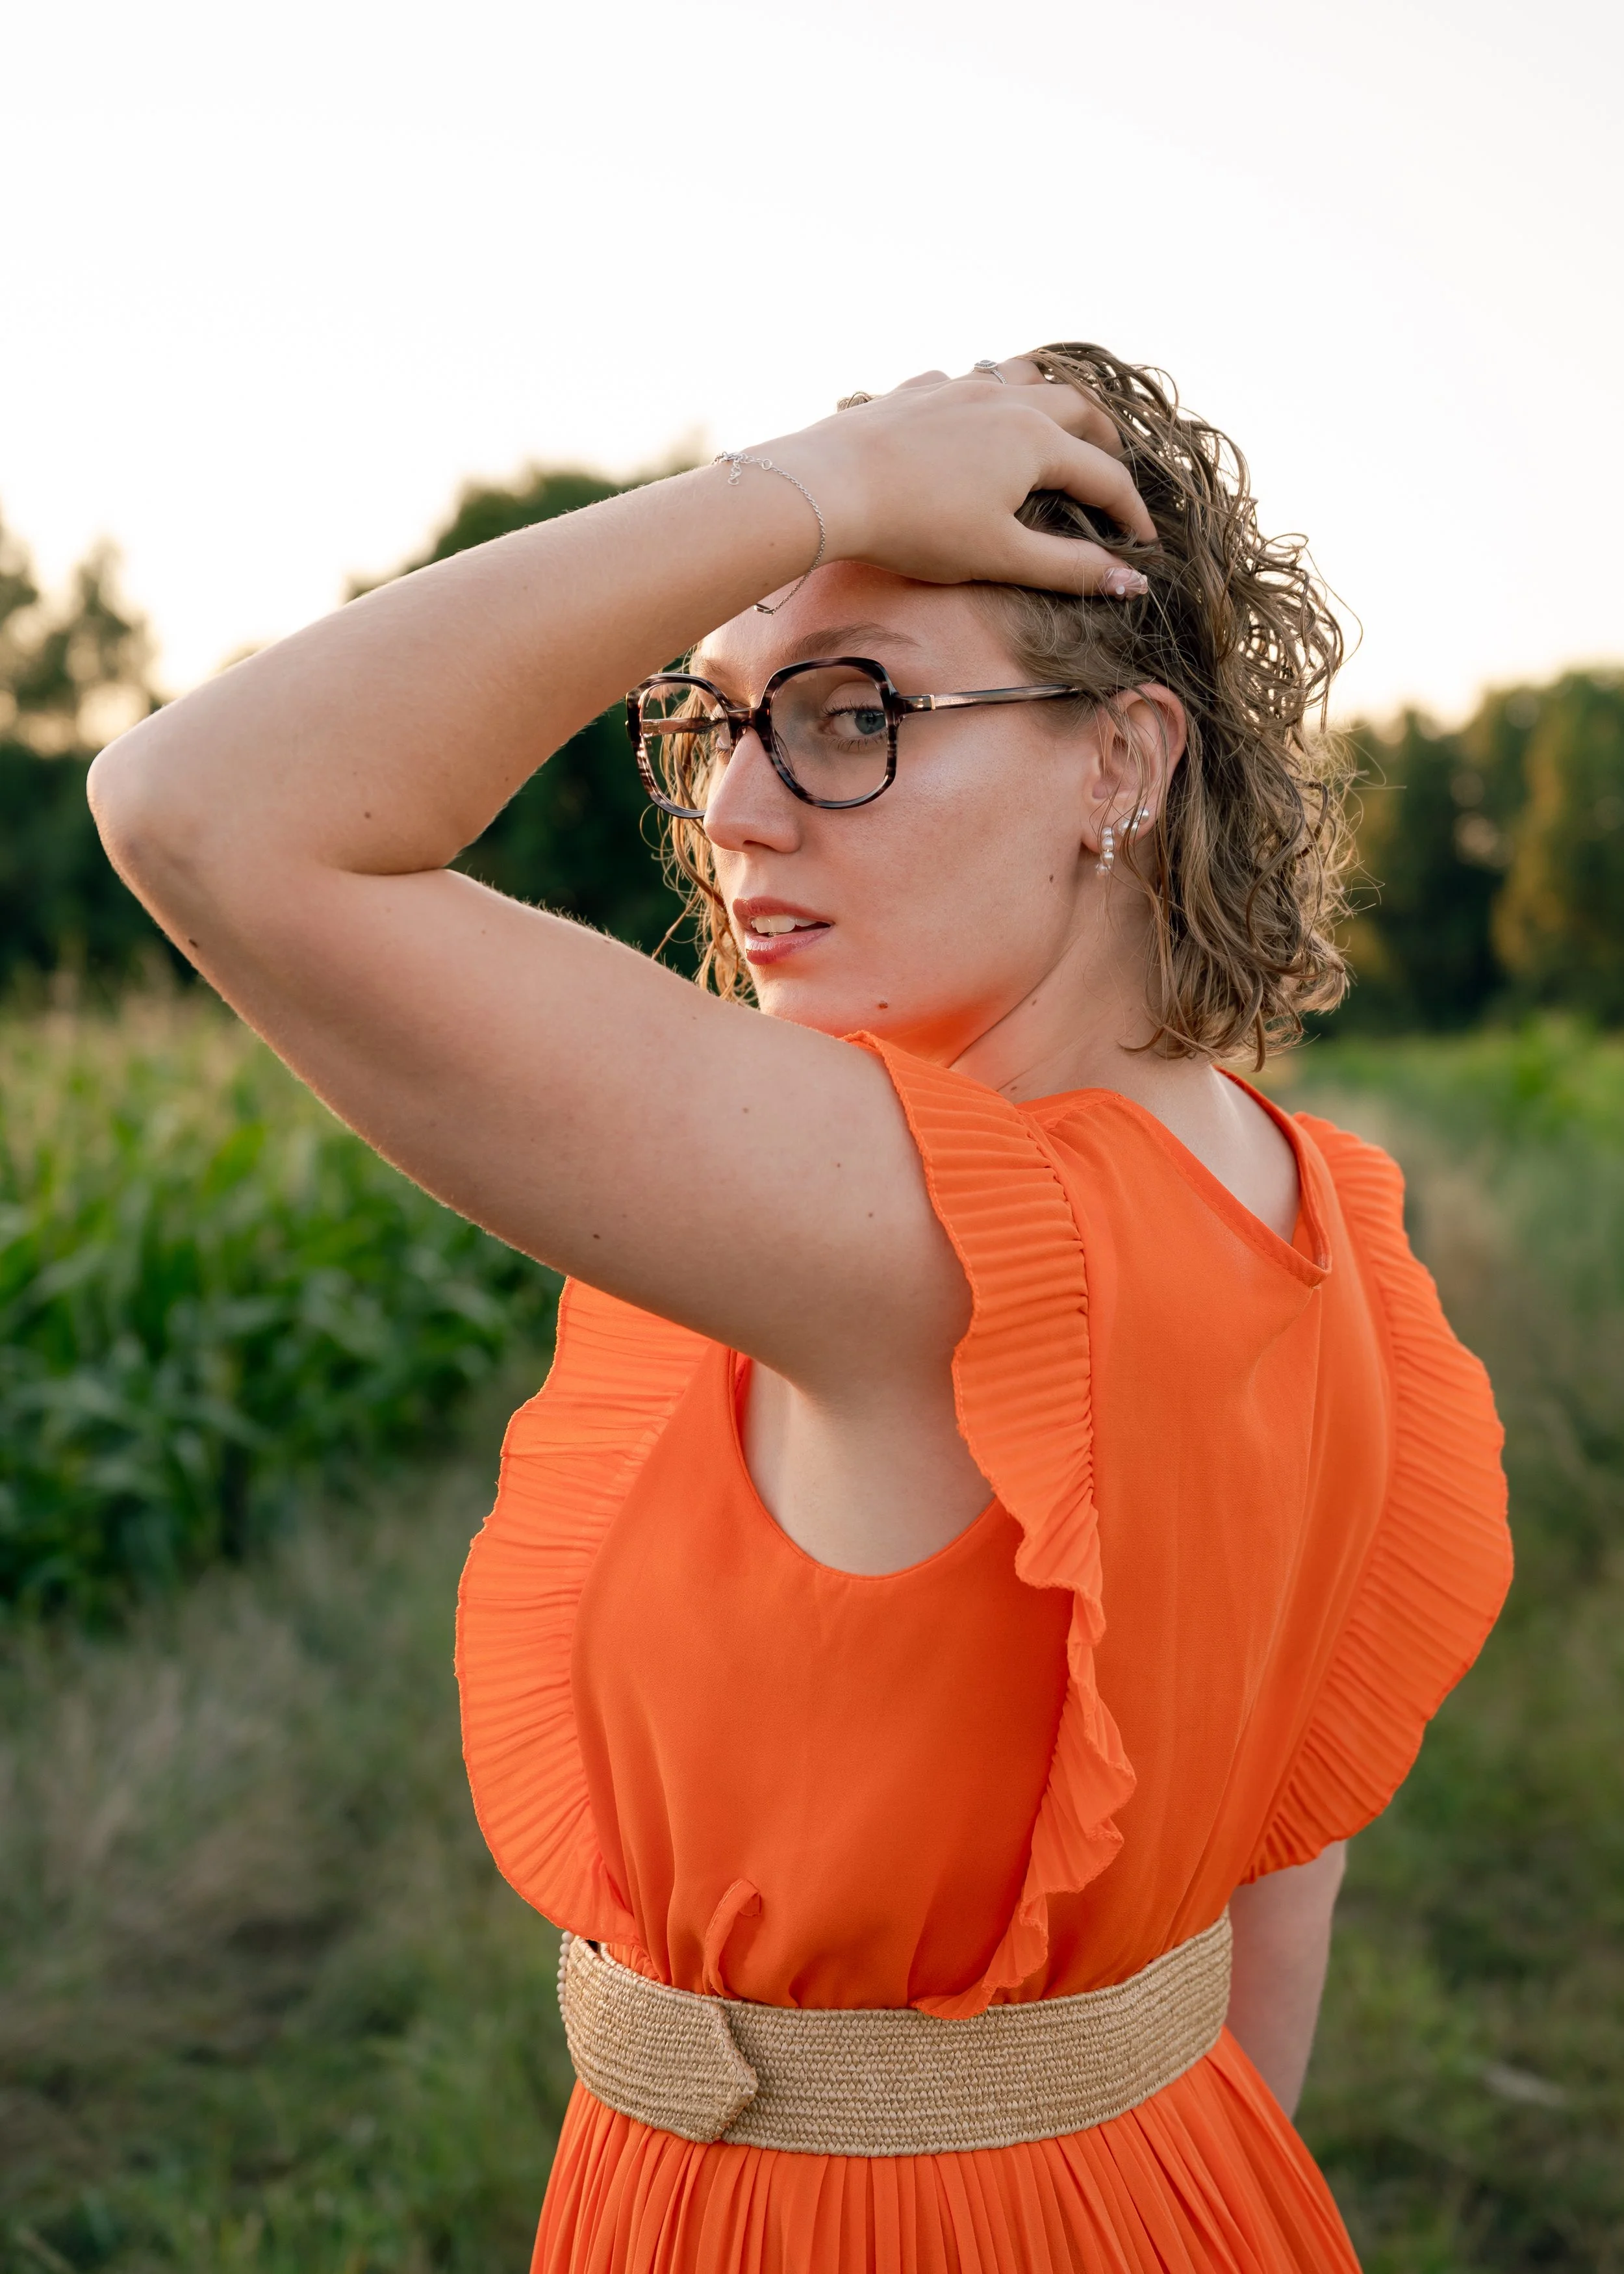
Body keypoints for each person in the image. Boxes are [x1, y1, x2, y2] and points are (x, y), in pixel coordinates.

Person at [90, 344, 1512, 2271]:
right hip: (1180, 2191)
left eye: (853, 716)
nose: (738, 814)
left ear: (1124, 760)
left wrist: (810, 481)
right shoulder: (1309, 1204)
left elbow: (204, 800)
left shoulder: (933, 1240)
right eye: (712, 716)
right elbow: (1263, 1896)